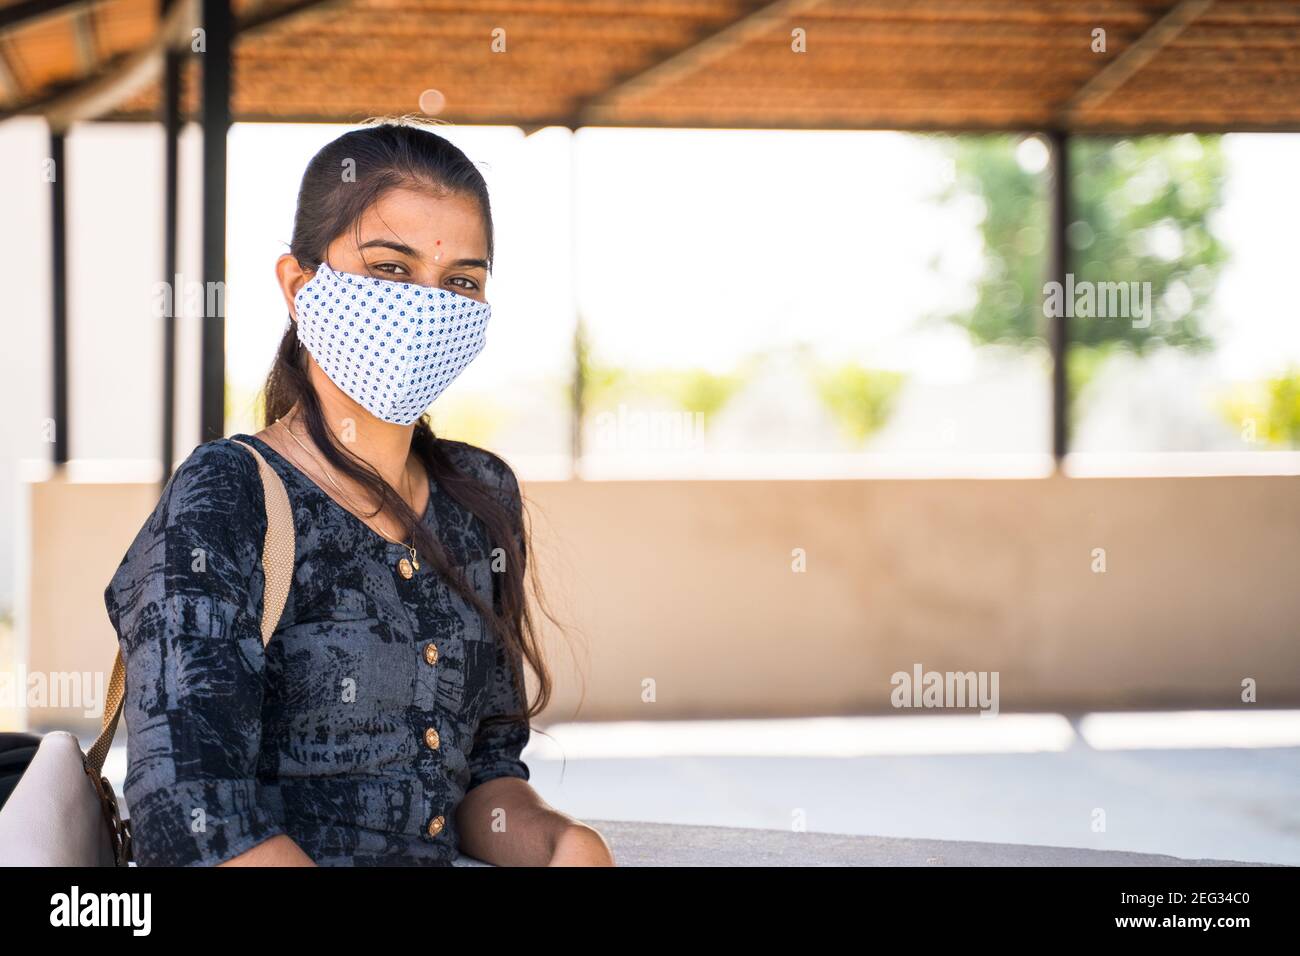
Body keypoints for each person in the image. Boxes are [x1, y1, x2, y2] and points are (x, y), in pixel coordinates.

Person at [104, 116, 613, 867]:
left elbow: (485, 777)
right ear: (299, 284)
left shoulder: (480, 496)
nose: (428, 305)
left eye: (462, 281)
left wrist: (564, 844)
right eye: (391, 269)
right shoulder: (229, 498)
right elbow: (189, 816)